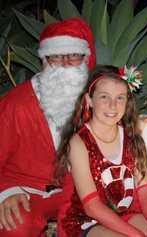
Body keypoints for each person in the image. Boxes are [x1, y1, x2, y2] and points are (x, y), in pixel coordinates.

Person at [0, 17, 96, 236]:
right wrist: (5, 192)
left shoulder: (97, 101)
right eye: (55, 56)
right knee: (15, 223)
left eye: (73, 55)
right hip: (27, 191)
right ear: (44, 60)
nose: (64, 63)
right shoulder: (16, 104)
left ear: (86, 60)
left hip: (81, 191)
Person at [56, 65, 147, 237]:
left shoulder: (130, 137)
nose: (113, 105)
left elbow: (144, 189)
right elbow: (92, 206)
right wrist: (137, 235)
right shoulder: (78, 142)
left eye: (120, 98)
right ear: (89, 100)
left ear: (127, 101)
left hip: (124, 215)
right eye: (104, 97)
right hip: (83, 221)